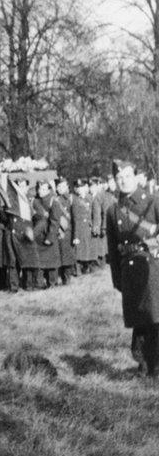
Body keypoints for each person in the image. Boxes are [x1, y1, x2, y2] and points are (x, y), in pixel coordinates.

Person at [105, 160, 159, 376]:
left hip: (152, 268)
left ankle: (154, 364)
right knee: (139, 317)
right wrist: (117, 279)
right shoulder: (113, 210)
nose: (123, 181)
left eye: (127, 176)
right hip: (129, 270)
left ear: (136, 176)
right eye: (119, 178)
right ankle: (144, 362)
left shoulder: (153, 202)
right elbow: (112, 247)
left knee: (155, 316)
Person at [32, 180, 63, 288]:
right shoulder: (35, 201)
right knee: (39, 262)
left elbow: (55, 221)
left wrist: (50, 237)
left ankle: (52, 283)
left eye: (44, 189)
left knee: (51, 263)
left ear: (49, 190)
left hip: (49, 235)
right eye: (39, 188)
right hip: (38, 235)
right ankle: (40, 283)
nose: (41, 191)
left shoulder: (53, 201)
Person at [71, 179, 97, 274]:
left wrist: (95, 226)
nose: (80, 190)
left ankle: (90, 267)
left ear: (85, 187)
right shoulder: (75, 201)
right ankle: (80, 269)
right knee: (80, 250)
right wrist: (76, 236)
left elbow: (95, 213)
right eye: (78, 188)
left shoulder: (90, 198)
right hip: (80, 228)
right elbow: (75, 218)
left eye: (82, 187)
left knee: (90, 249)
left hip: (89, 227)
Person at [55, 179, 76, 285]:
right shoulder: (55, 200)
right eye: (59, 187)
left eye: (63, 187)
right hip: (59, 230)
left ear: (67, 187)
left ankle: (67, 277)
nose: (60, 189)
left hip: (69, 230)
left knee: (67, 255)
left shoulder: (71, 199)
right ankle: (62, 276)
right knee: (60, 254)